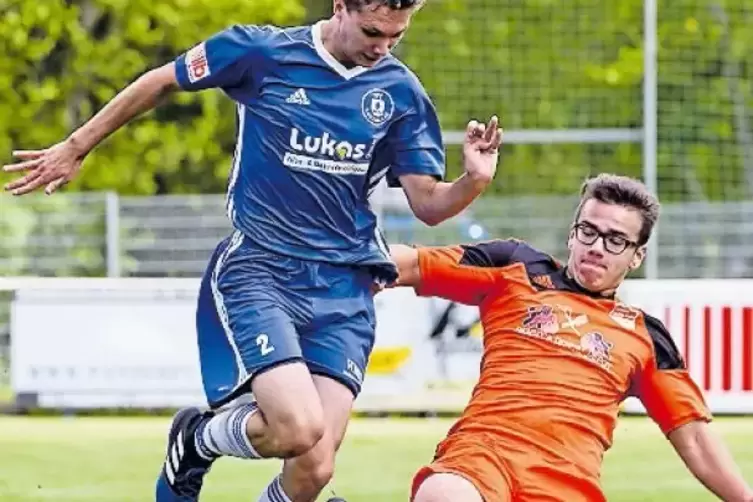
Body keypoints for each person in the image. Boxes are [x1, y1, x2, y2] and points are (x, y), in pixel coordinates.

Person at [2, 1, 503, 501]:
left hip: (345, 288)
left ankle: (209, 440)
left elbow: (429, 206)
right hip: (262, 269)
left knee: (315, 468)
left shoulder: (401, 93)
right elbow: (162, 80)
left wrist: (472, 182)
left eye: (396, 36)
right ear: (340, 7)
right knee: (297, 429)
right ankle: (197, 439)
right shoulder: (260, 52)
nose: (382, 47)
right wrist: (76, 146)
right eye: (373, 31)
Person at [389, 174, 753, 502]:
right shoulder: (516, 267)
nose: (596, 247)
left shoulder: (646, 335)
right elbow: (405, 264)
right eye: (588, 232)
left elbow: (695, 438)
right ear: (572, 232)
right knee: (443, 495)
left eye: (615, 241)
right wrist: (338, 256)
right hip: (480, 458)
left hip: (565, 484)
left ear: (637, 256)